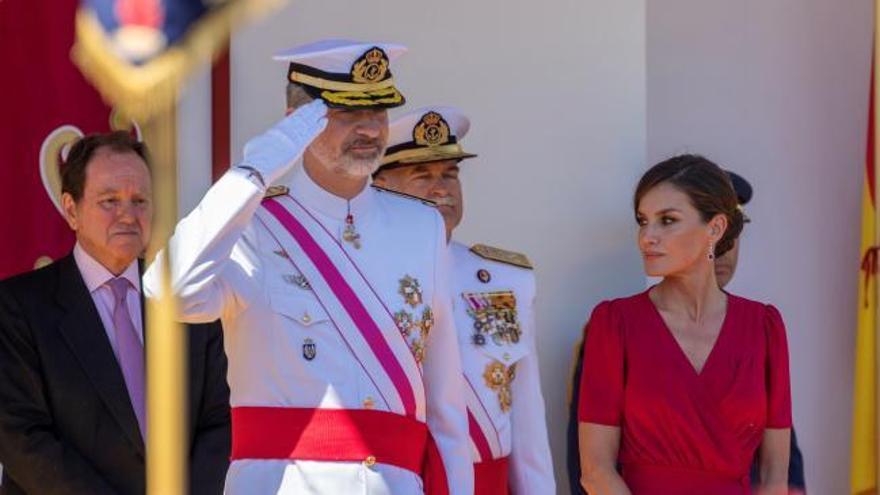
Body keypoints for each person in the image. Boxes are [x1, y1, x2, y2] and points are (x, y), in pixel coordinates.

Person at [143, 40, 472, 494]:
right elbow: (171, 293)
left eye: (377, 113)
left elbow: (446, 409)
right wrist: (256, 169)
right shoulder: (250, 222)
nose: (369, 130)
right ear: (298, 120)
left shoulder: (422, 227)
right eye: (346, 113)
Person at [0, 132, 231, 494]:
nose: (128, 214)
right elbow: (21, 437)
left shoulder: (186, 300)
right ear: (71, 209)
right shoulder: (17, 307)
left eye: (140, 200)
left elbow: (214, 422)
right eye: (110, 201)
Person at [567, 168, 807, 494]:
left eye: (667, 220)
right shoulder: (615, 323)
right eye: (642, 221)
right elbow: (595, 471)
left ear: (716, 228)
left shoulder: (764, 327)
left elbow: (776, 475)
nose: (646, 237)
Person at [373, 106, 556, 494]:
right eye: (422, 175)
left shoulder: (505, 279)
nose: (442, 188)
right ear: (379, 187)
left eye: (450, 175)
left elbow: (525, 416)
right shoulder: (356, 280)